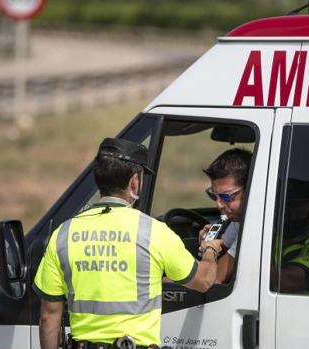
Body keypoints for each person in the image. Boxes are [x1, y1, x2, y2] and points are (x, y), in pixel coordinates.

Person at [33, 138, 222, 349]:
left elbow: (49, 317)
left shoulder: (63, 234)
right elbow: (204, 280)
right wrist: (210, 249)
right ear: (134, 181)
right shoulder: (154, 232)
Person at [200, 149, 309, 294]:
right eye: (281, 201)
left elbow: (283, 282)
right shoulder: (267, 235)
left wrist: (248, 239)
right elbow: (215, 277)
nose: (284, 208)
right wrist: (208, 248)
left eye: (295, 204)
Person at [199, 148, 252, 284]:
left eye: (226, 197)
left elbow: (212, 279)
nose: (219, 205)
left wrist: (209, 251)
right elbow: (223, 249)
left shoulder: (253, 227)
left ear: (251, 189)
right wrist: (208, 245)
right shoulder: (239, 220)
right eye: (214, 195)